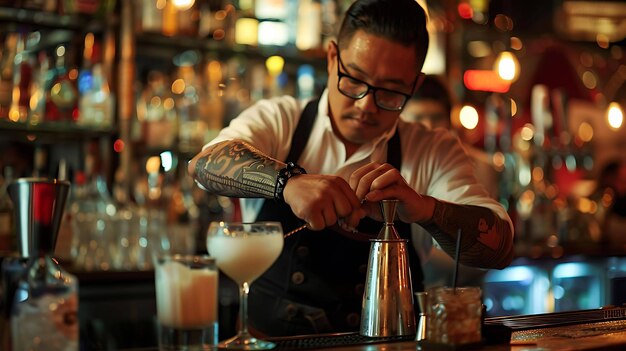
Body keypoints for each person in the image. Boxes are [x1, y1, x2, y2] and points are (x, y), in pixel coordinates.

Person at [188, 0, 514, 336]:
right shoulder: (280, 120)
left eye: (389, 90)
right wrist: (287, 183)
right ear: (332, 58)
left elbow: (500, 247)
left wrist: (424, 209)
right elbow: (203, 164)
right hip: (270, 343)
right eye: (354, 79)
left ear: (414, 86)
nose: (365, 105)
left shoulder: (432, 149)